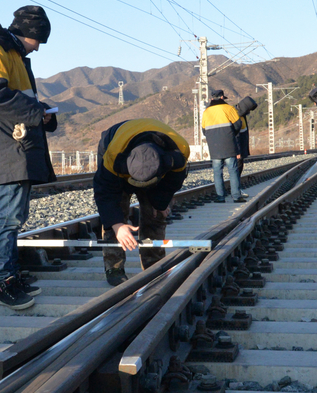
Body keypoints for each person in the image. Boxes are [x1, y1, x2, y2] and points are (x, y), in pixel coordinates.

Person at [0, 5, 57, 310]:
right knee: (7, 217)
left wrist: (42, 113)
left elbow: (21, 101)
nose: (38, 47)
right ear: (28, 34)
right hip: (6, 149)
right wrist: (35, 112)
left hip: (17, 149)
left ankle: (9, 275)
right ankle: (1, 283)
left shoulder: (15, 56)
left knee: (14, 217)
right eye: (38, 40)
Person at [93, 119, 189, 286]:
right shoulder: (114, 156)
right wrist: (117, 225)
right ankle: (114, 267)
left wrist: (161, 203)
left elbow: (172, 182)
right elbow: (105, 193)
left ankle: (154, 264)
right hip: (118, 144)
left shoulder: (178, 152)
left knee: (155, 212)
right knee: (116, 213)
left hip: (154, 162)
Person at [202, 89, 244, 203]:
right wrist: (231, 134)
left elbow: (204, 130)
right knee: (233, 170)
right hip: (228, 143)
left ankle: (220, 197)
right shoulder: (229, 108)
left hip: (214, 146)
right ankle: (236, 196)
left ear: (212, 99)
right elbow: (238, 124)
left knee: (217, 171)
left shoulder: (206, 112)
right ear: (221, 98)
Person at [233, 96, 258, 186]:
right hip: (238, 150)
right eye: (248, 110)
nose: (249, 112)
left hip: (241, 148)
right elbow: (236, 135)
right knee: (237, 169)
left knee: (238, 168)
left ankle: (236, 187)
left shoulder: (241, 115)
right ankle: (236, 188)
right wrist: (238, 151)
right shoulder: (236, 116)